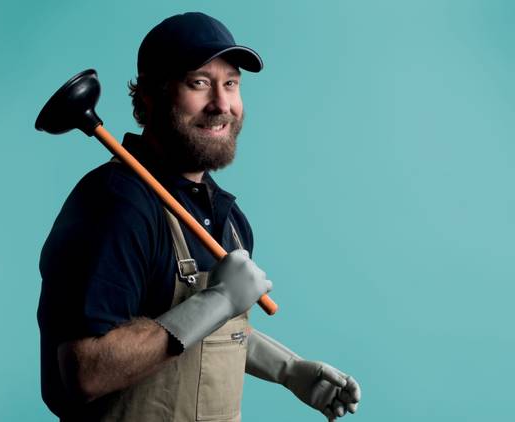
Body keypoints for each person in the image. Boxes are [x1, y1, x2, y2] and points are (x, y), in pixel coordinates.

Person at [37, 11, 361, 422]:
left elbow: (199, 329)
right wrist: (221, 298)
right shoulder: (116, 204)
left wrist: (288, 370)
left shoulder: (225, 214)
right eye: (199, 83)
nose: (221, 104)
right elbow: (84, 372)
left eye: (231, 84)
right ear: (149, 97)